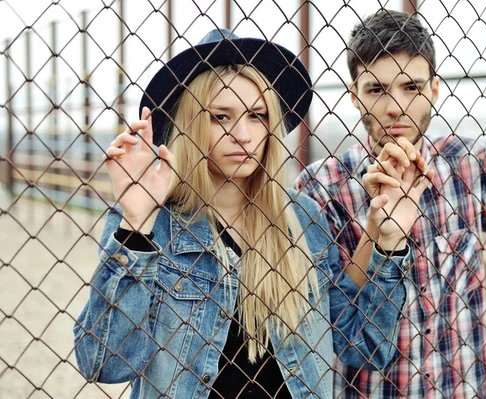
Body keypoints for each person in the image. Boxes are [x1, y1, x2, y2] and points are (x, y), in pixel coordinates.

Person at [73, 28, 427, 399]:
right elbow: (103, 363)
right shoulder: (151, 222)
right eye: (220, 117)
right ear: (191, 123)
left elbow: (365, 347)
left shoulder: (302, 217)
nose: (242, 134)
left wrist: (389, 242)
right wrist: (136, 223)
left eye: (257, 115)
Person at [295, 9, 486, 399]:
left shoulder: (466, 163)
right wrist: (376, 232)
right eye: (377, 89)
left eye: (411, 87)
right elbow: (332, 317)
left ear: (434, 89)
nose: (395, 107)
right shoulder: (321, 186)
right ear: (353, 95)